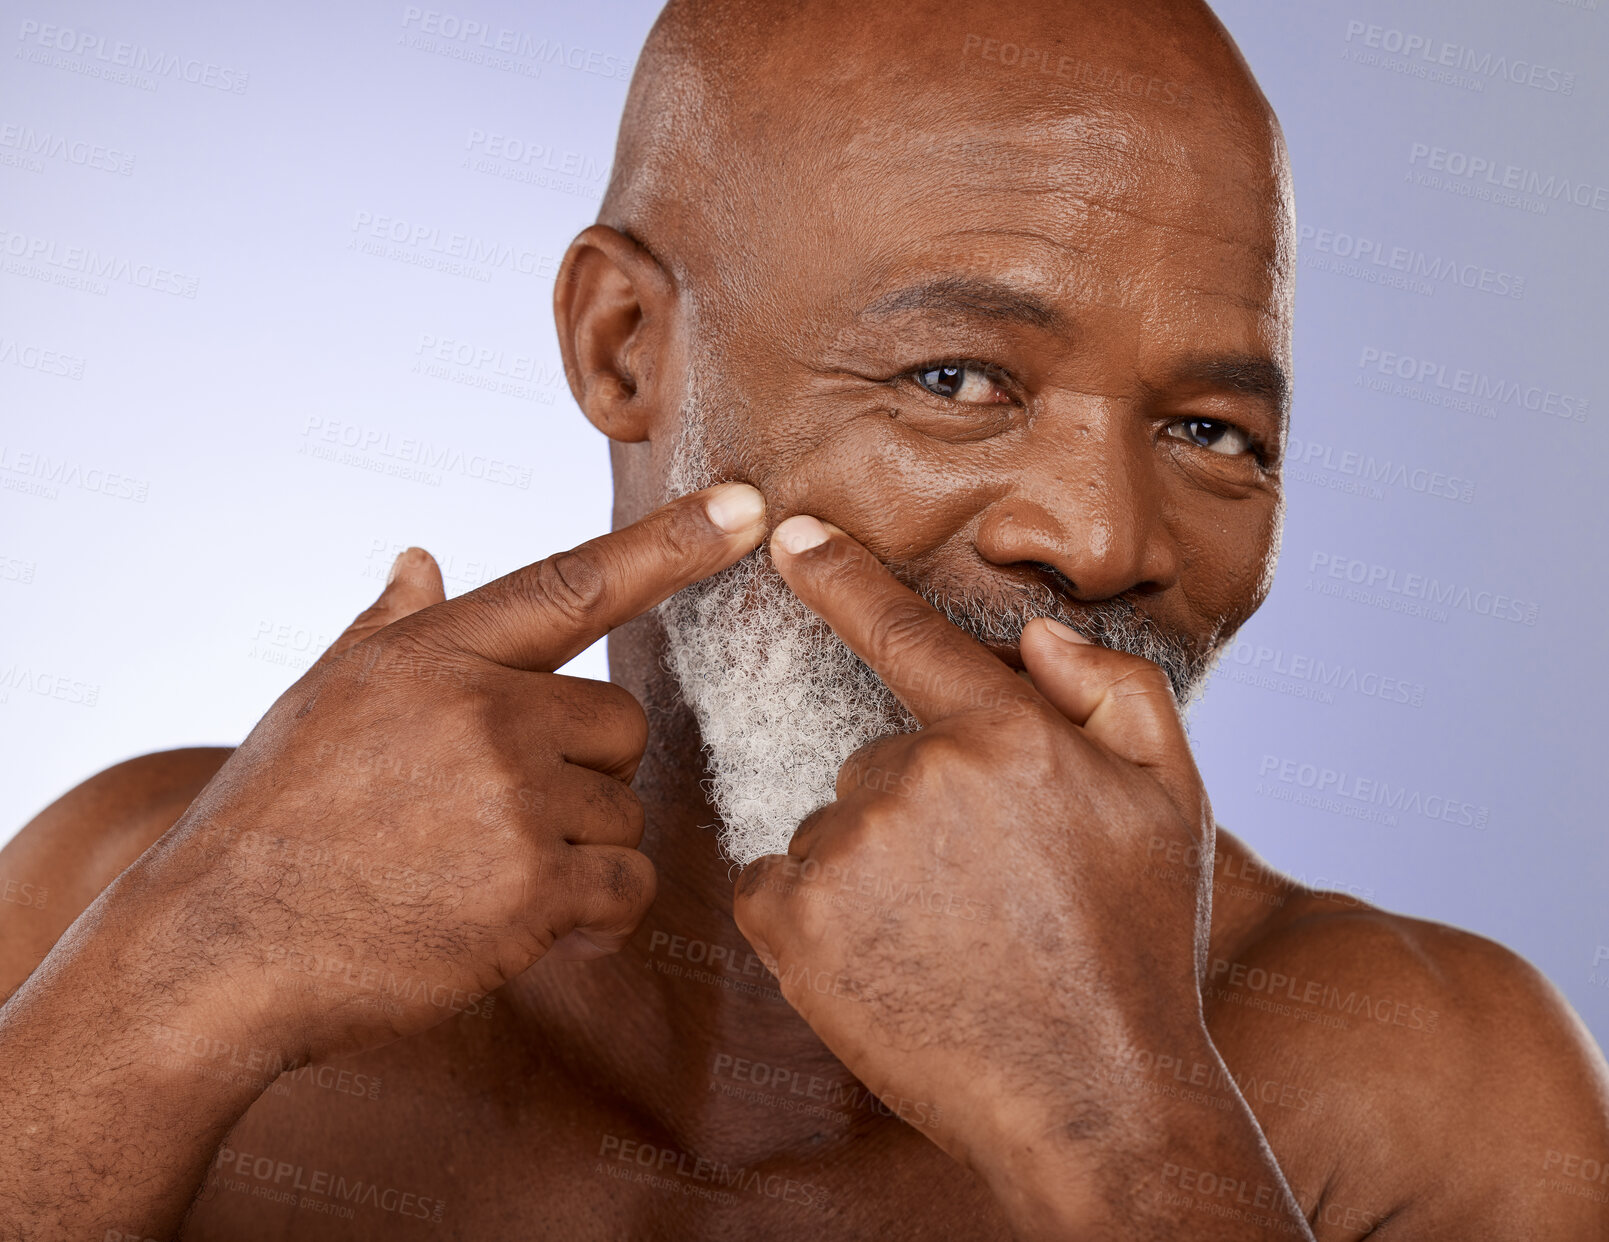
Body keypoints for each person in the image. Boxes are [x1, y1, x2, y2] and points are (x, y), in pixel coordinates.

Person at [3, 0, 1606, 1237]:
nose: (1105, 540)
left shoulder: (1426, 1085)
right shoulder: (132, 889)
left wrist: (1116, 1123)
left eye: (1211, 435)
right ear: (628, 348)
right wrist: (178, 981)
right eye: (958, 380)